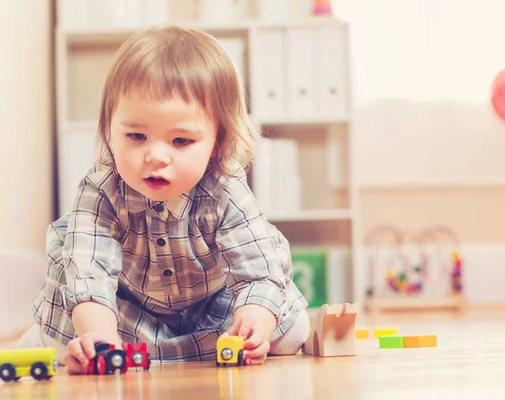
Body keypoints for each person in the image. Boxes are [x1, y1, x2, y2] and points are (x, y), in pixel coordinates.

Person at [24, 25, 309, 374]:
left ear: (217, 144)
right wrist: (98, 339)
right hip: (127, 309)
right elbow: (89, 270)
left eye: (181, 141)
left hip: (211, 307)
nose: (156, 155)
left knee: (291, 334)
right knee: (64, 342)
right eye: (137, 135)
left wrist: (253, 327)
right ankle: (42, 337)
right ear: (109, 132)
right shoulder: (102, 191)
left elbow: (256, 273)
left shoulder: (226, 191)